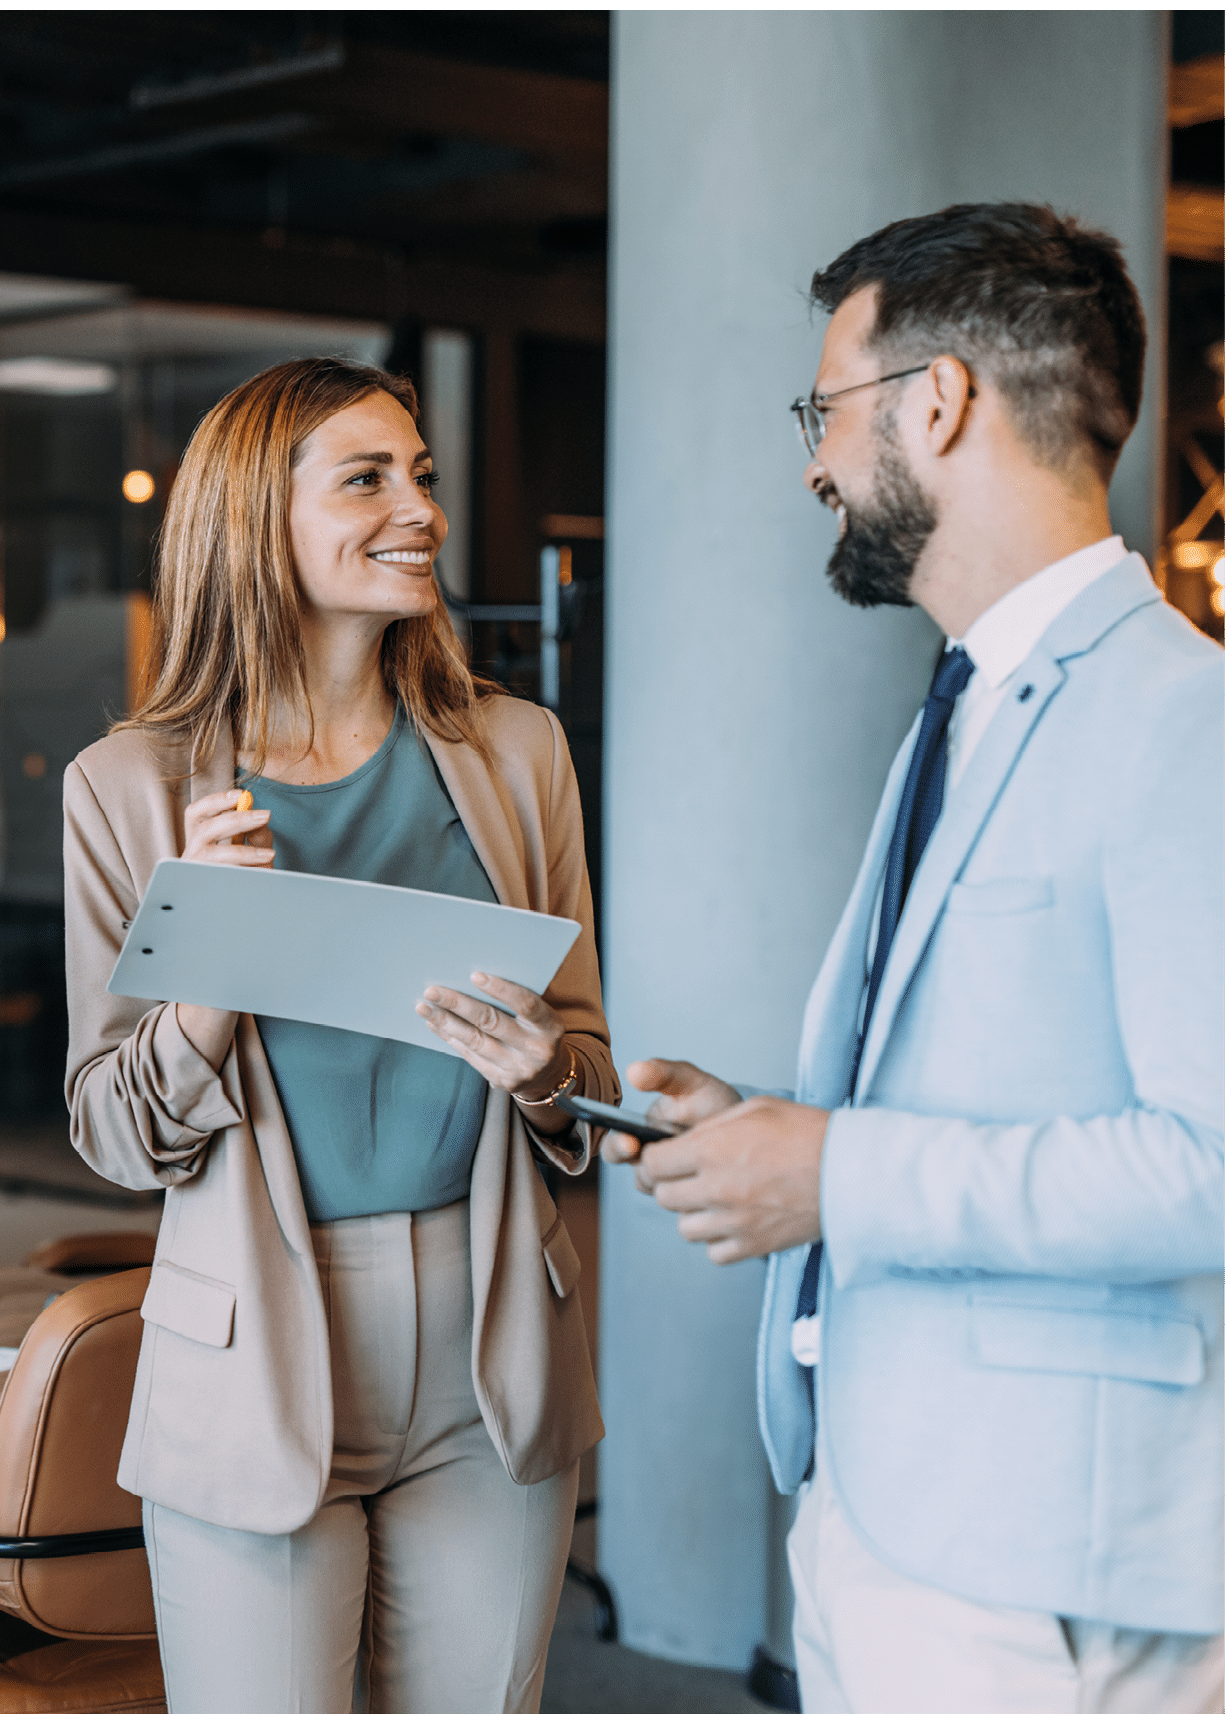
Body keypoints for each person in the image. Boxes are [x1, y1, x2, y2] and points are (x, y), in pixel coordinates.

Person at [604, 204, 1224, 1713]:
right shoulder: (969, 701)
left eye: (828, 411)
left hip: (1043, 1570)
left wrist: (835, 1174)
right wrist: (764, 1125)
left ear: (936, 402)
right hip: (880, 1509)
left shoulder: (1184, 719)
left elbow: (1209, 1162)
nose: (815, 462)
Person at [63, 355, 619, 1714]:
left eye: (420, 474)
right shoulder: (131, 786)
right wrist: (205, 968)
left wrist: (552, 1074)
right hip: (252, 1348)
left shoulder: (517, 751)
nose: (418, 505)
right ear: (261, 516)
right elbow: (110, 1129)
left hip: (494, 1353)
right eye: (367, 477)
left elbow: (589, 1077)